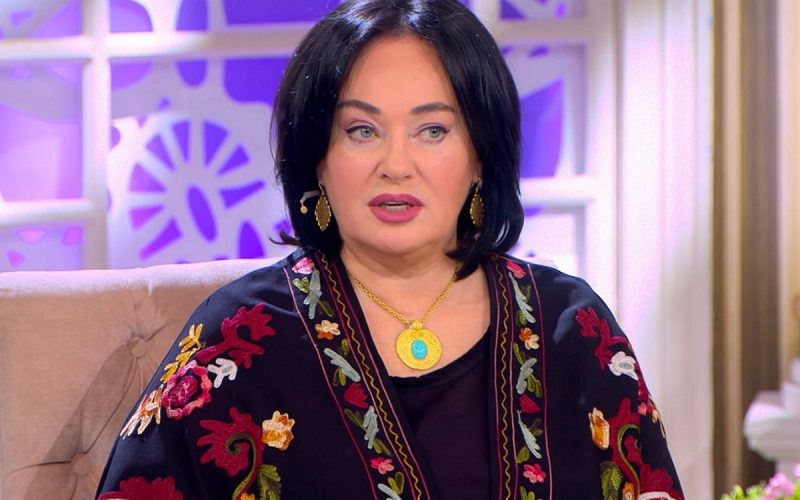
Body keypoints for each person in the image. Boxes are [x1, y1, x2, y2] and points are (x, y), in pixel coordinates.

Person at [96, 0, 684, 498]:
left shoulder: (571, 326)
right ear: (318, 160)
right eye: (362, 131)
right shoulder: (241, 337)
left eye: (433, 130)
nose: (396, 165)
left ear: (480, 156)